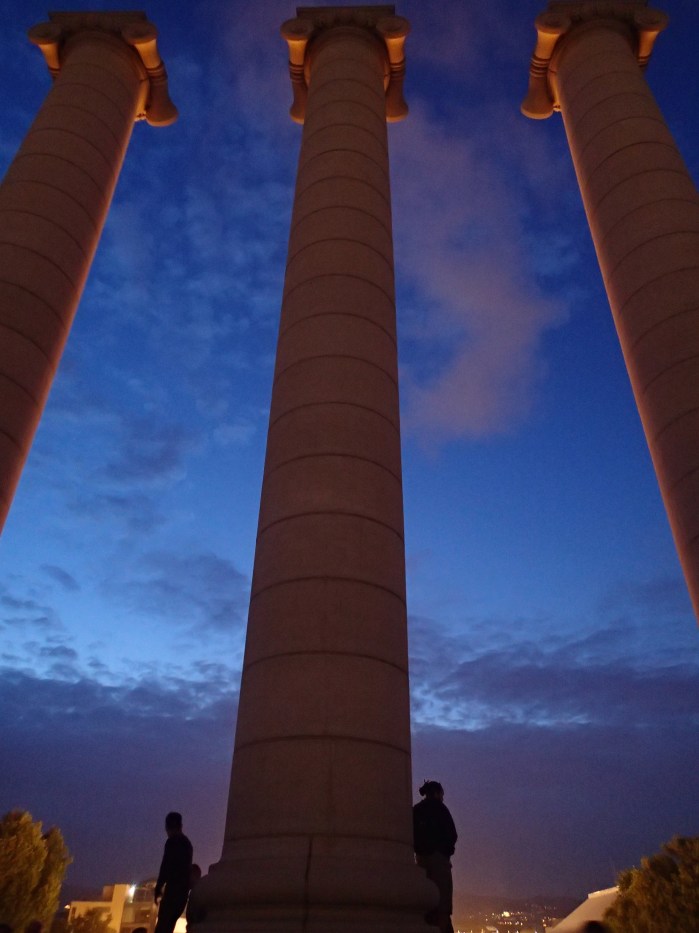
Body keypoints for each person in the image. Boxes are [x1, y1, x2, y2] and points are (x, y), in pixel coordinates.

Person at [413, 780, 457, 933]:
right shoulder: (441, 809)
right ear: (437, 793)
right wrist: (446, 852)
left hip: (421, 861)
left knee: (427, 907)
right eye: (442, 794)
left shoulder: (416, 810)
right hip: (439, 862)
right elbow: (452, 835)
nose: (443, 798)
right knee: (442, 907)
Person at [154, 812, 193, 933]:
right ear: (181, 825)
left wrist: (158, 888)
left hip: (172, 894)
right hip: (182, 896)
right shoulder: (187, 844)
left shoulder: (172, 842)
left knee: (162, 928)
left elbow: (165, 866)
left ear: (168, 827)